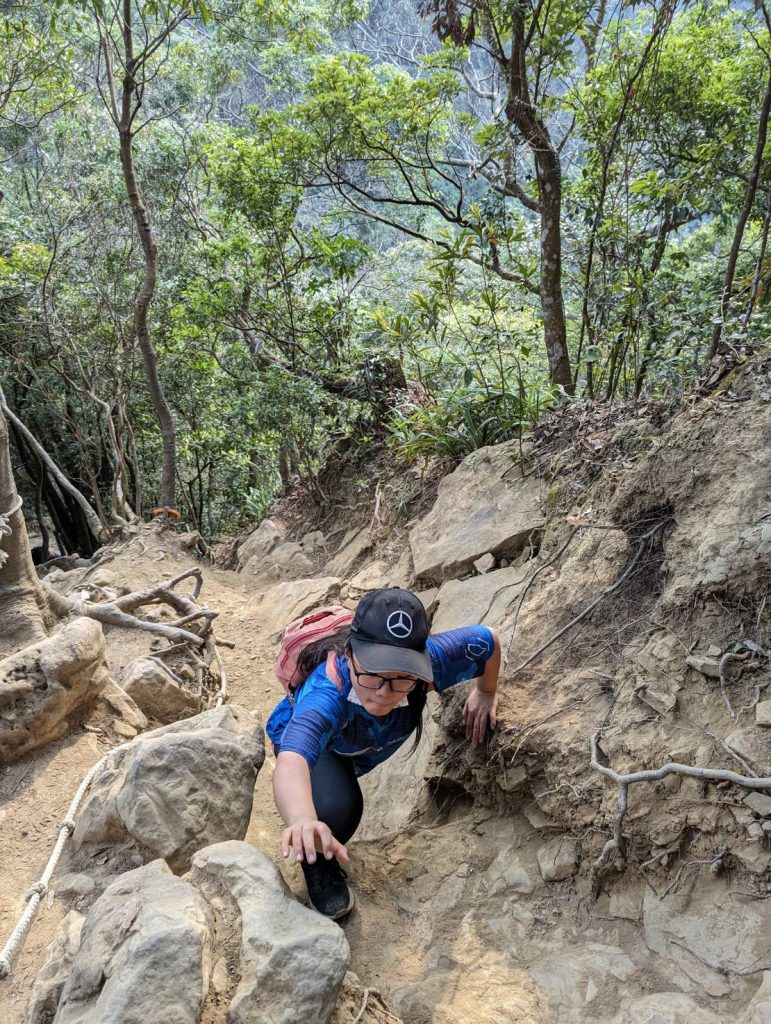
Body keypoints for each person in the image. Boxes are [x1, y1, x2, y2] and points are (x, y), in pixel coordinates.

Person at [266, 586, 501, 920]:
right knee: (337, 811)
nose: (384, 692)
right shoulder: (326, 694)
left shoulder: (431, 663)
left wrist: (486, 692)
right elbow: (292, 759)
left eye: (402, 677)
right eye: (372, 674)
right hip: (324, 749)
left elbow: (488, 640)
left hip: (361, 745)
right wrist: (304, 820)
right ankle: (317, 861)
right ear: (349, 655)